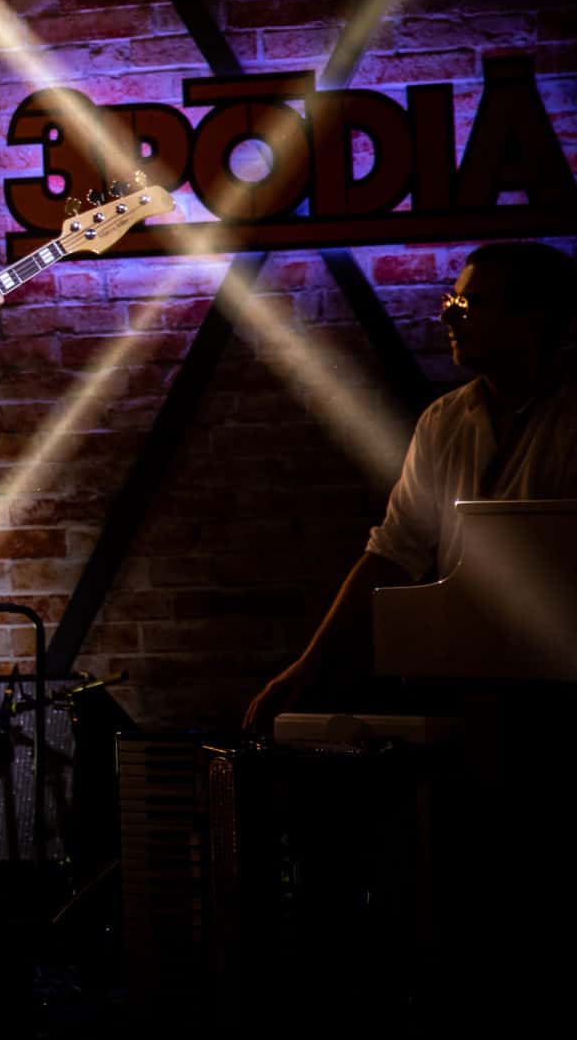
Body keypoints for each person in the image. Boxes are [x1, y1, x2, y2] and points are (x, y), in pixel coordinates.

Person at [243, 241, 577, 733]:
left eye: (470, 304)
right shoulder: (444, 420)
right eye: (451, 300)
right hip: (466, 689)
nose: (449, 316)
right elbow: (393, 553)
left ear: (535, 320)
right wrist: (308, 667)